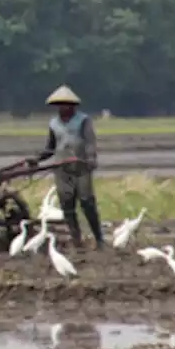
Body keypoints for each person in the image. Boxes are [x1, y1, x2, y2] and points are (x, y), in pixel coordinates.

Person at [26, 85, 104, 248]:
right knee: (66, 204)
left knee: (86, 201)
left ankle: (99, 239)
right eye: (59, 105)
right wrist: (37, 159)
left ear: (73, 105)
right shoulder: (54, 124)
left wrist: (90, 158)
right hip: (61, 168)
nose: (62, 107)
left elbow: (90, 142)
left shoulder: (83, 120)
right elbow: (51, 147)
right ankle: (76, 239)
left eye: (66, 104)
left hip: (81, 166)